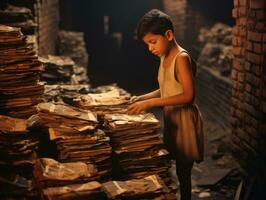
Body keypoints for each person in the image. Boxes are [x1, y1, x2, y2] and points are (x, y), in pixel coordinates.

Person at [127, 9, 204, 200]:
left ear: (168, 35)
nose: (150, 48)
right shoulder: (163, 56)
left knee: (184, 170)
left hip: (184, 119)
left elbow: (188, 95)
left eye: (153, 42)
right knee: (176, 167)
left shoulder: (181, 58)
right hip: (172, 118)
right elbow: (167, 88)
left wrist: (152, 103)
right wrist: (143, 98)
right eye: (147, 44)